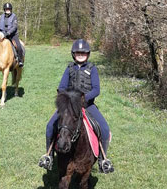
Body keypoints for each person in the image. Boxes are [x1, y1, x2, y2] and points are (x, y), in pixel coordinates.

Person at [38, 39, 114, 174]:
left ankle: (103, 160)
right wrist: (67, 99)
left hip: (87, 105)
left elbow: (96, 89)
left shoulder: (92, 69)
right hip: (70, 106)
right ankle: (48, 156)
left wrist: (83, 99)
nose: (80, 55)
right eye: (78, 53)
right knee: (50, 126)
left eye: (83, 53)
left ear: (88, 55)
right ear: (73, 54)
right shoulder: (69, 68)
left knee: (104, 128)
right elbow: (62, 87)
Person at [0, 2, 24, 67]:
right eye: (6, 9)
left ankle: (20, 60)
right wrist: (1, 33)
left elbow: (14, 27)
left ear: (11, 10)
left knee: (19, 46)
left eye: (9, 9)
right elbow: (0, 26)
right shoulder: (2, 16)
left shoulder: (14, 16)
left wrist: (8, 33)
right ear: (4, 10)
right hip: (3, 34)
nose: (8, 10)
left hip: (12, 35)